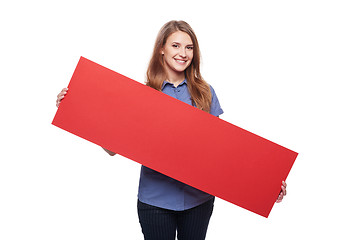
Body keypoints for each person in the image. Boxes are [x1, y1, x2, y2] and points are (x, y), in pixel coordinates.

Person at [56, 20, 287, 240]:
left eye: (189, 47)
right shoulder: (142, 94)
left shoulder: (205, 93)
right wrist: (74, 106)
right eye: (175, 45)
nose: (183, 53)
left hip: (199, 201)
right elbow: (113, 148)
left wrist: (267, 186)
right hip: (155, 201)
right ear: (161, 50)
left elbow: (223, 151)